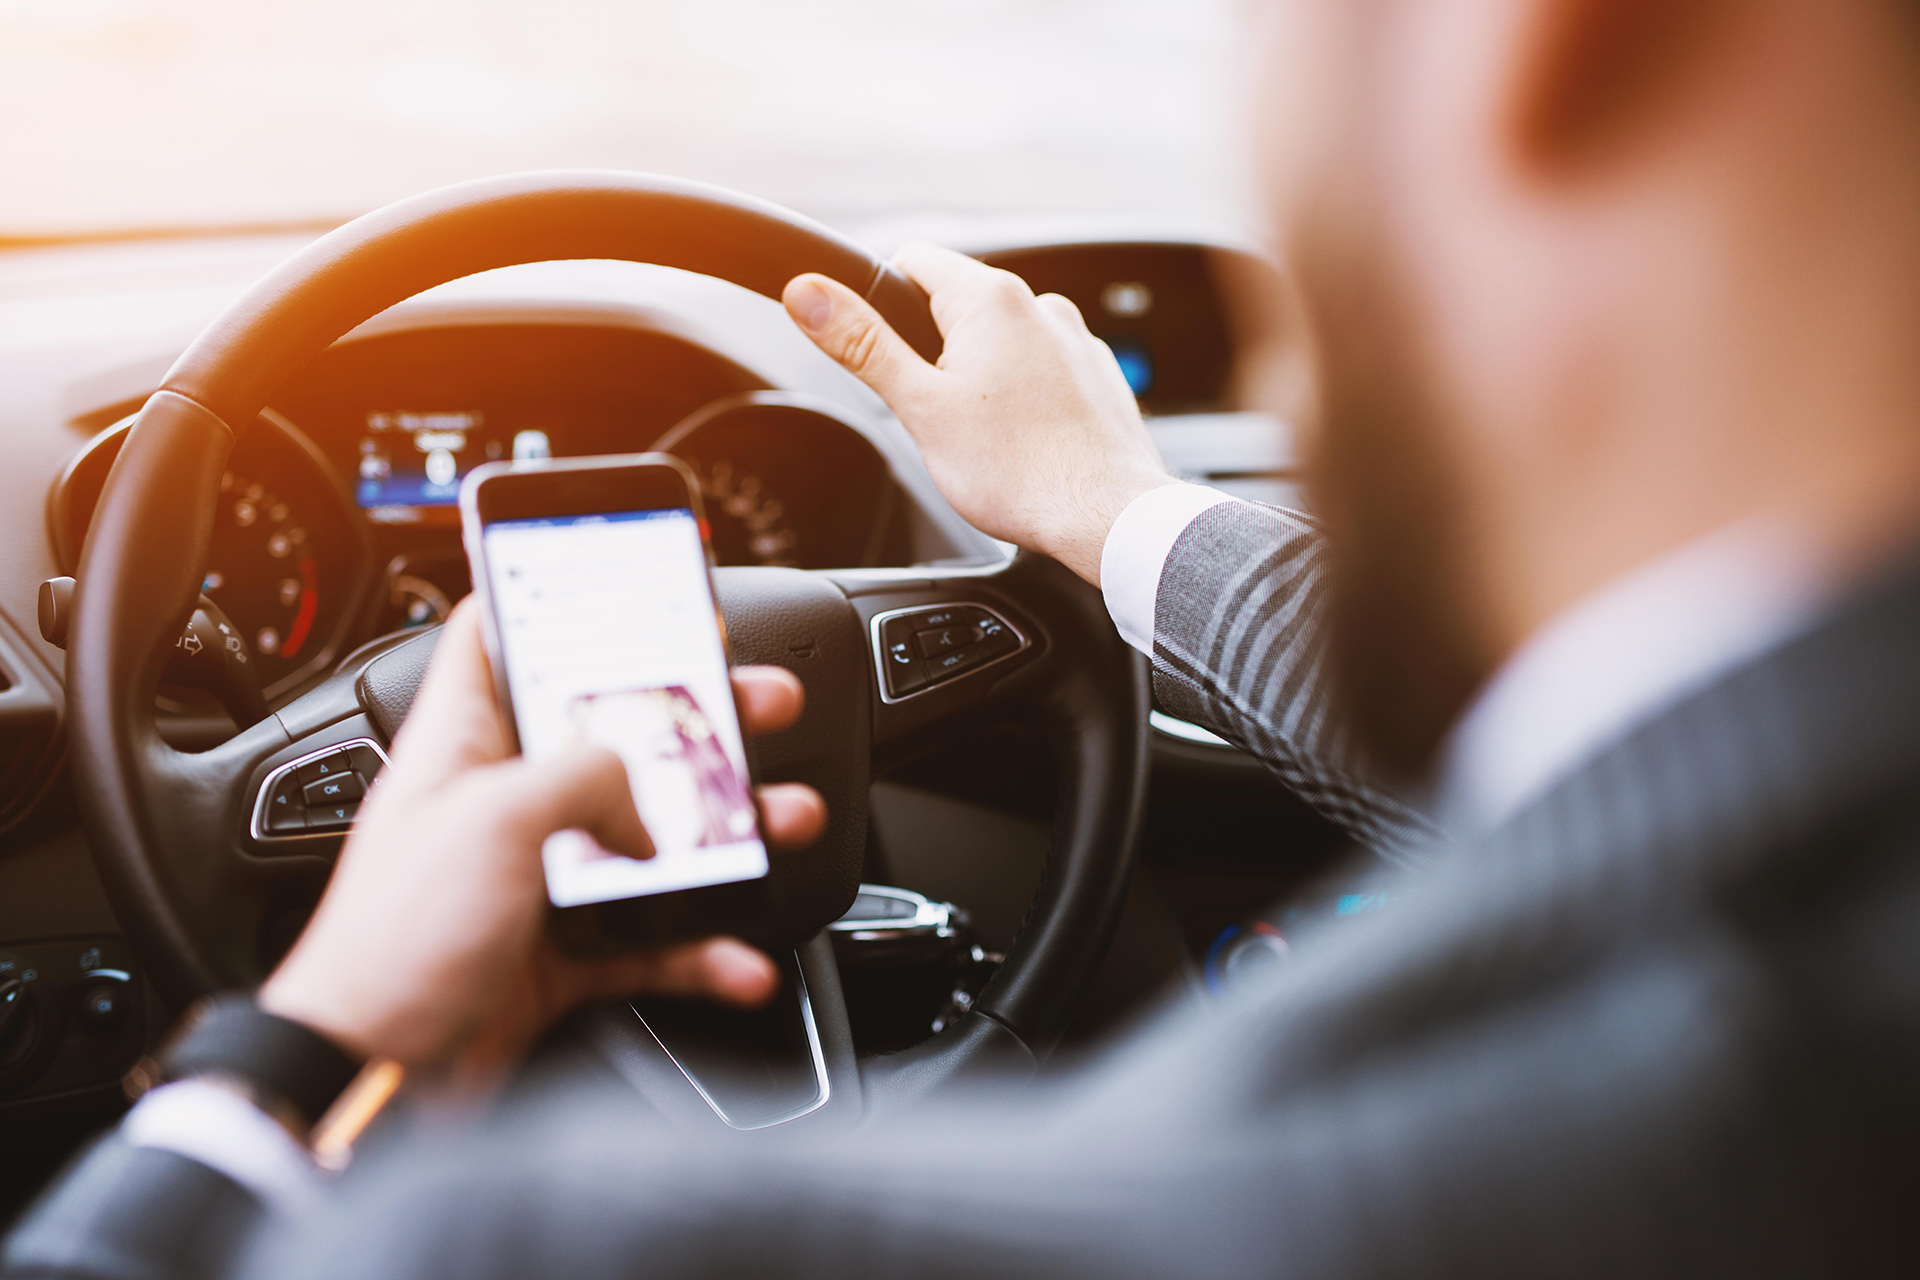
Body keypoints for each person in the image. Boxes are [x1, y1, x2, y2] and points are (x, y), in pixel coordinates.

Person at [10, 0, 1920, 1274]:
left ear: (1526, 42)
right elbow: (1548, 790)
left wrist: (299, 1048)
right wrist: (1106, 518)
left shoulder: (528, 1246)